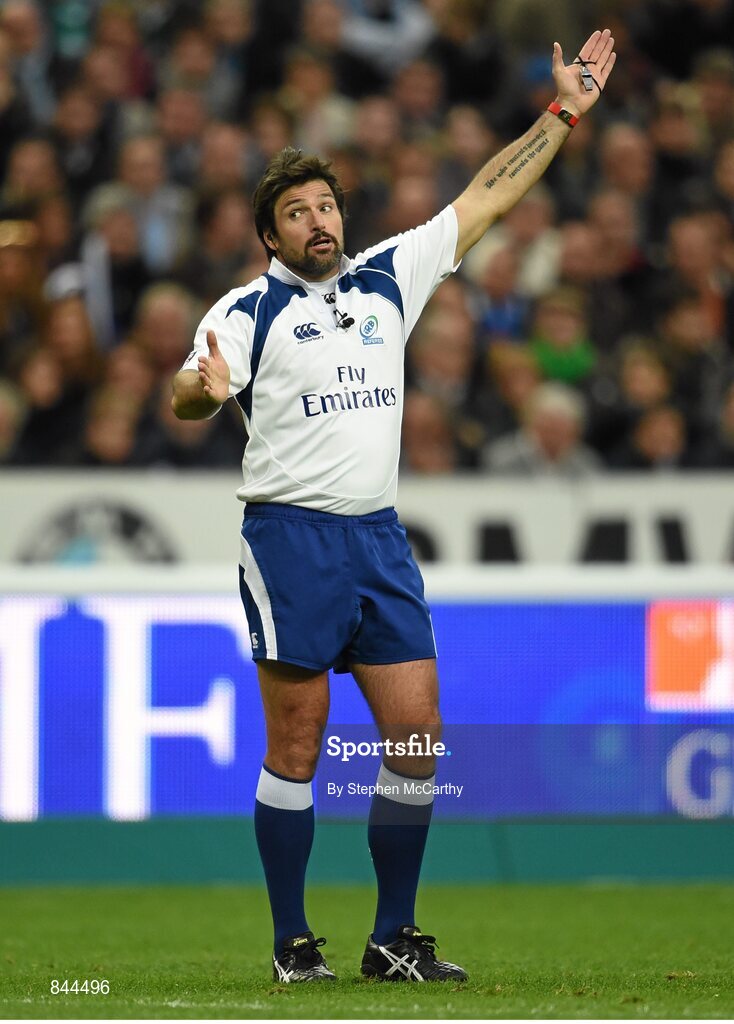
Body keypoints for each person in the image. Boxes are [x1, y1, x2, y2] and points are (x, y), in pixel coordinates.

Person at [171, 29, 616, 983]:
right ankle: (294, 944)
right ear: (272, 236)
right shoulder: (244, 312)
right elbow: (186, 394)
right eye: (298, 213)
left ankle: (392, 939)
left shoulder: (388, 276)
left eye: (326, 205)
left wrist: (567, 109)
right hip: (288, 536)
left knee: (417, 740)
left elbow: (489, 191)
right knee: (297, 744)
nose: (319, 222)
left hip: (378, 537)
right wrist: (204, 393)